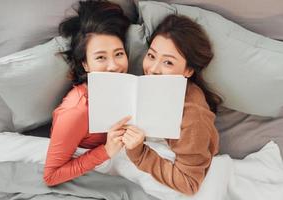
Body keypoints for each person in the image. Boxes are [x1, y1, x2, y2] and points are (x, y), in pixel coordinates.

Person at [121, 14, 222, 195]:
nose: (152, 69)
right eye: (151, 55)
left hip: (179, 182)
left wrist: (139, 152)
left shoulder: (193, 116)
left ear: (188, 70)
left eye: (168, 62)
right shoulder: (149, 87)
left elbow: (190, 184)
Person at [43, 0, 131, 186]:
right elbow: (51, 176)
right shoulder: (76, 112)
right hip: (99, 168)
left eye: (119, 54)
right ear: (85, 64)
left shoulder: (127, 87)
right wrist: (106, 151)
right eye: (101, 57)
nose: (114, 66)